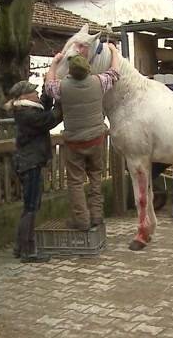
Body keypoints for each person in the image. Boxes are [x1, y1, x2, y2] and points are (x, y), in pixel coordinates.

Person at [45, 43, 120, 230]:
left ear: (70, 70)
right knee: (95, 176)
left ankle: (81, 219)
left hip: (74, 143)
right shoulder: (99, 82)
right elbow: (115, 72)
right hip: (96, 139)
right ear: (88, 69)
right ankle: (96, 216)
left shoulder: (62, 88)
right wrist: (113, 51)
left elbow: (48, 85)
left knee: (76, 181)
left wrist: (54, 64)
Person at [6, 80, 62, 263]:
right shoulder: (27, 114)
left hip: (28, 162)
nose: (37, 94)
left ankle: (20, 246)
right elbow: (51, 118)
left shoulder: (26, 110)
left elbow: (44, 108)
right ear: (24, 96)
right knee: (31, 206)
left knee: (29, 206)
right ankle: (28, 251)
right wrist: (62, 100)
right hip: (30, 163)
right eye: (34, 92)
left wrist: (49, 88)